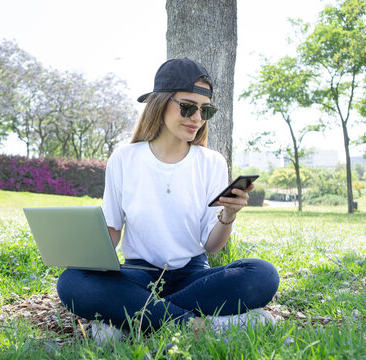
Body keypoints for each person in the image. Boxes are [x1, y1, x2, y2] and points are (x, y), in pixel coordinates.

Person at [57, 58, 279, 339]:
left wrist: (228, 216)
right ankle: (202, 327)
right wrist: (82, 250)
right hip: (138, 275)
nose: (196, 118)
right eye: (187, 107)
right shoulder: (124, 158)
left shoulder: (212, 162)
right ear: (159, 103)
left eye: (205, 110)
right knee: (72, 282)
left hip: (193, 275)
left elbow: (212, 246)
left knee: (263, 274)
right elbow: (113, 231)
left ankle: (129, 322)